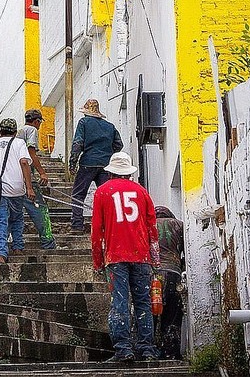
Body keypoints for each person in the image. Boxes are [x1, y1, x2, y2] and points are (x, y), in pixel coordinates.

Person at [91, 152, 160, 363]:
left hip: (116, 256)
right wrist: (155, 260)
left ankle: (123, 349)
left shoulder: (102, 192)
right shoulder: (142, 192)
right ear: (129, 173)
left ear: (110, 172)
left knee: (119, 302)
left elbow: (96, 230)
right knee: (143, 302)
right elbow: (152, 228)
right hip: (141, 255)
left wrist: (97, 261)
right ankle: (147, 349)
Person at [0, 118, 35, 263]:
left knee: (0, 220)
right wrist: (29, 187)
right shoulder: (19, 143)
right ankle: (17, 247)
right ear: (15, 132)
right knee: (17, 219)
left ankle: (0, 254)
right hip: (17, 188)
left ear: (0, 131)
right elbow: (24, 162)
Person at [69, 99, 123, 233]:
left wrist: (72, 163)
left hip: (87, 163)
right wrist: (108, 153)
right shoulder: (110, 126)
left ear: (86, 112)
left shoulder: (83, 122)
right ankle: (109, 225)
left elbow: (78, 143)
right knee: (107, 195)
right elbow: (119, 144)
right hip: (106, 165)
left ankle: (77, 225)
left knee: (78, 194)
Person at [16, 108, 56, 250]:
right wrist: (42, 173)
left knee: (16, 211)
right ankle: (48, 242)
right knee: (40, 208)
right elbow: (31, 154)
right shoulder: (32, 130)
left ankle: (16, 243)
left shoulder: (19, 132)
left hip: (14, 177)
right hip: (26, 175)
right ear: (37, 121)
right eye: (40, 122)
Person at [154, 206, 185, 360]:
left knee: (149, 312)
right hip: (173, 272)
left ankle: (147, 350)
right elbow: (186, 250)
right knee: (173, 313)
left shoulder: (145, 224)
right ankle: (170, 352)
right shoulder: (179, 225)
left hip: (151, 274)